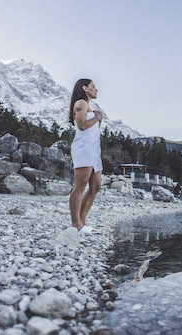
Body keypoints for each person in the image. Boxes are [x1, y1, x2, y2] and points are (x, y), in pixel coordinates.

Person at [68, 79, 103, 234]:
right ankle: (76, 224)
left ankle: (82, 222)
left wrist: (97, 118)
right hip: (83, 149)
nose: (96, 89)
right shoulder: (80, 103)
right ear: (84, 88)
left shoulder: (89, 107)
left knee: (95, 186)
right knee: (80, 186)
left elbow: (93, 131)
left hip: (94, 150)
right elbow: (82, 126)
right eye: (93, 86)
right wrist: (97, 117)